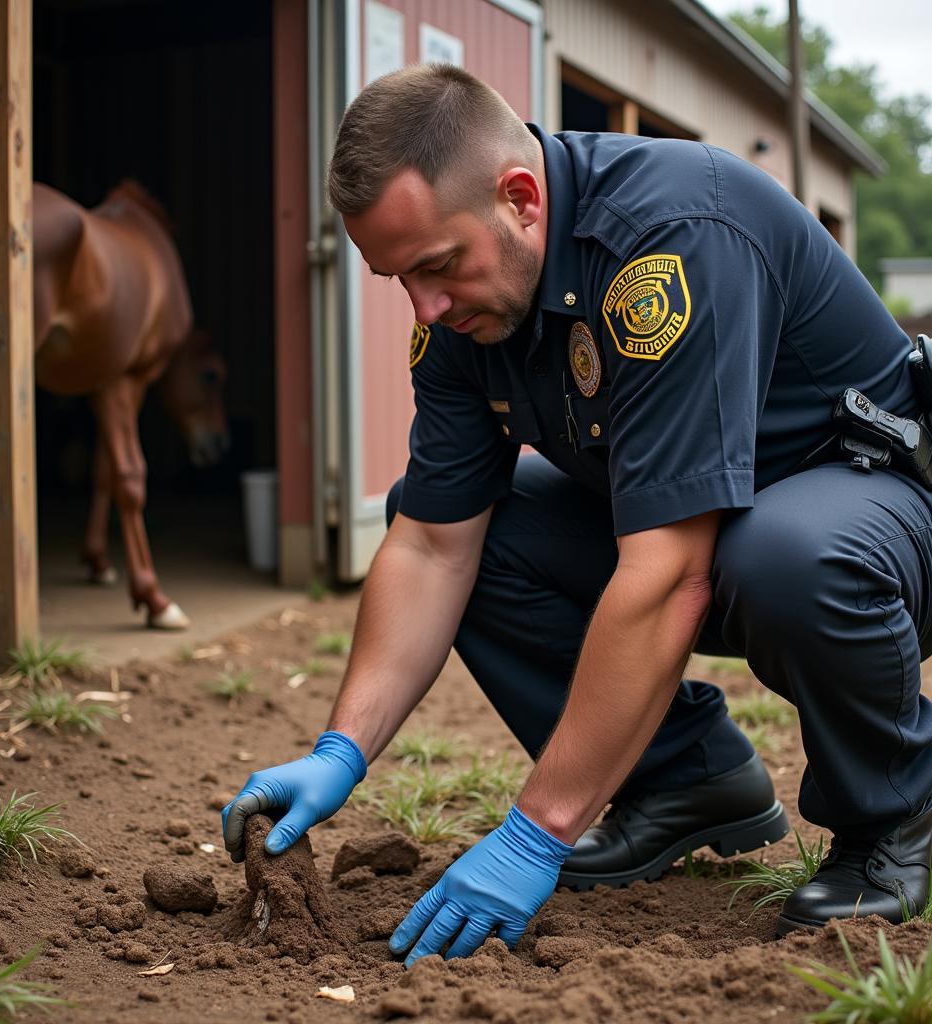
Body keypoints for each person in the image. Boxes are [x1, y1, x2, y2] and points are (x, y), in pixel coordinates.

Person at [222, 63, 932, 966]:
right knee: (477, 526)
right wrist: (340, 749)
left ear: (520, 198)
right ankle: (686, 782)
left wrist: (536, 832)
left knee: (783, 554)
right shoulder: (459, 317)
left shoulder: (669, 245)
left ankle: (895, 813)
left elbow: (671, 573)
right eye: (397, 279)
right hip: (714, 537)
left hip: (881, 523)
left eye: (438, 266)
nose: (425, 306)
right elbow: (435, 544)